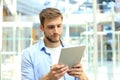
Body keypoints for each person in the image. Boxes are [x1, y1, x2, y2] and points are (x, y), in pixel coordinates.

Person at [21, 7, 88, 80]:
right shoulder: (29, 54)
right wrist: (49, 77)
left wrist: (82, 75)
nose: (56, 31)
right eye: (51, 27)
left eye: (59, 26)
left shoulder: (73, 51)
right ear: (41, 27)